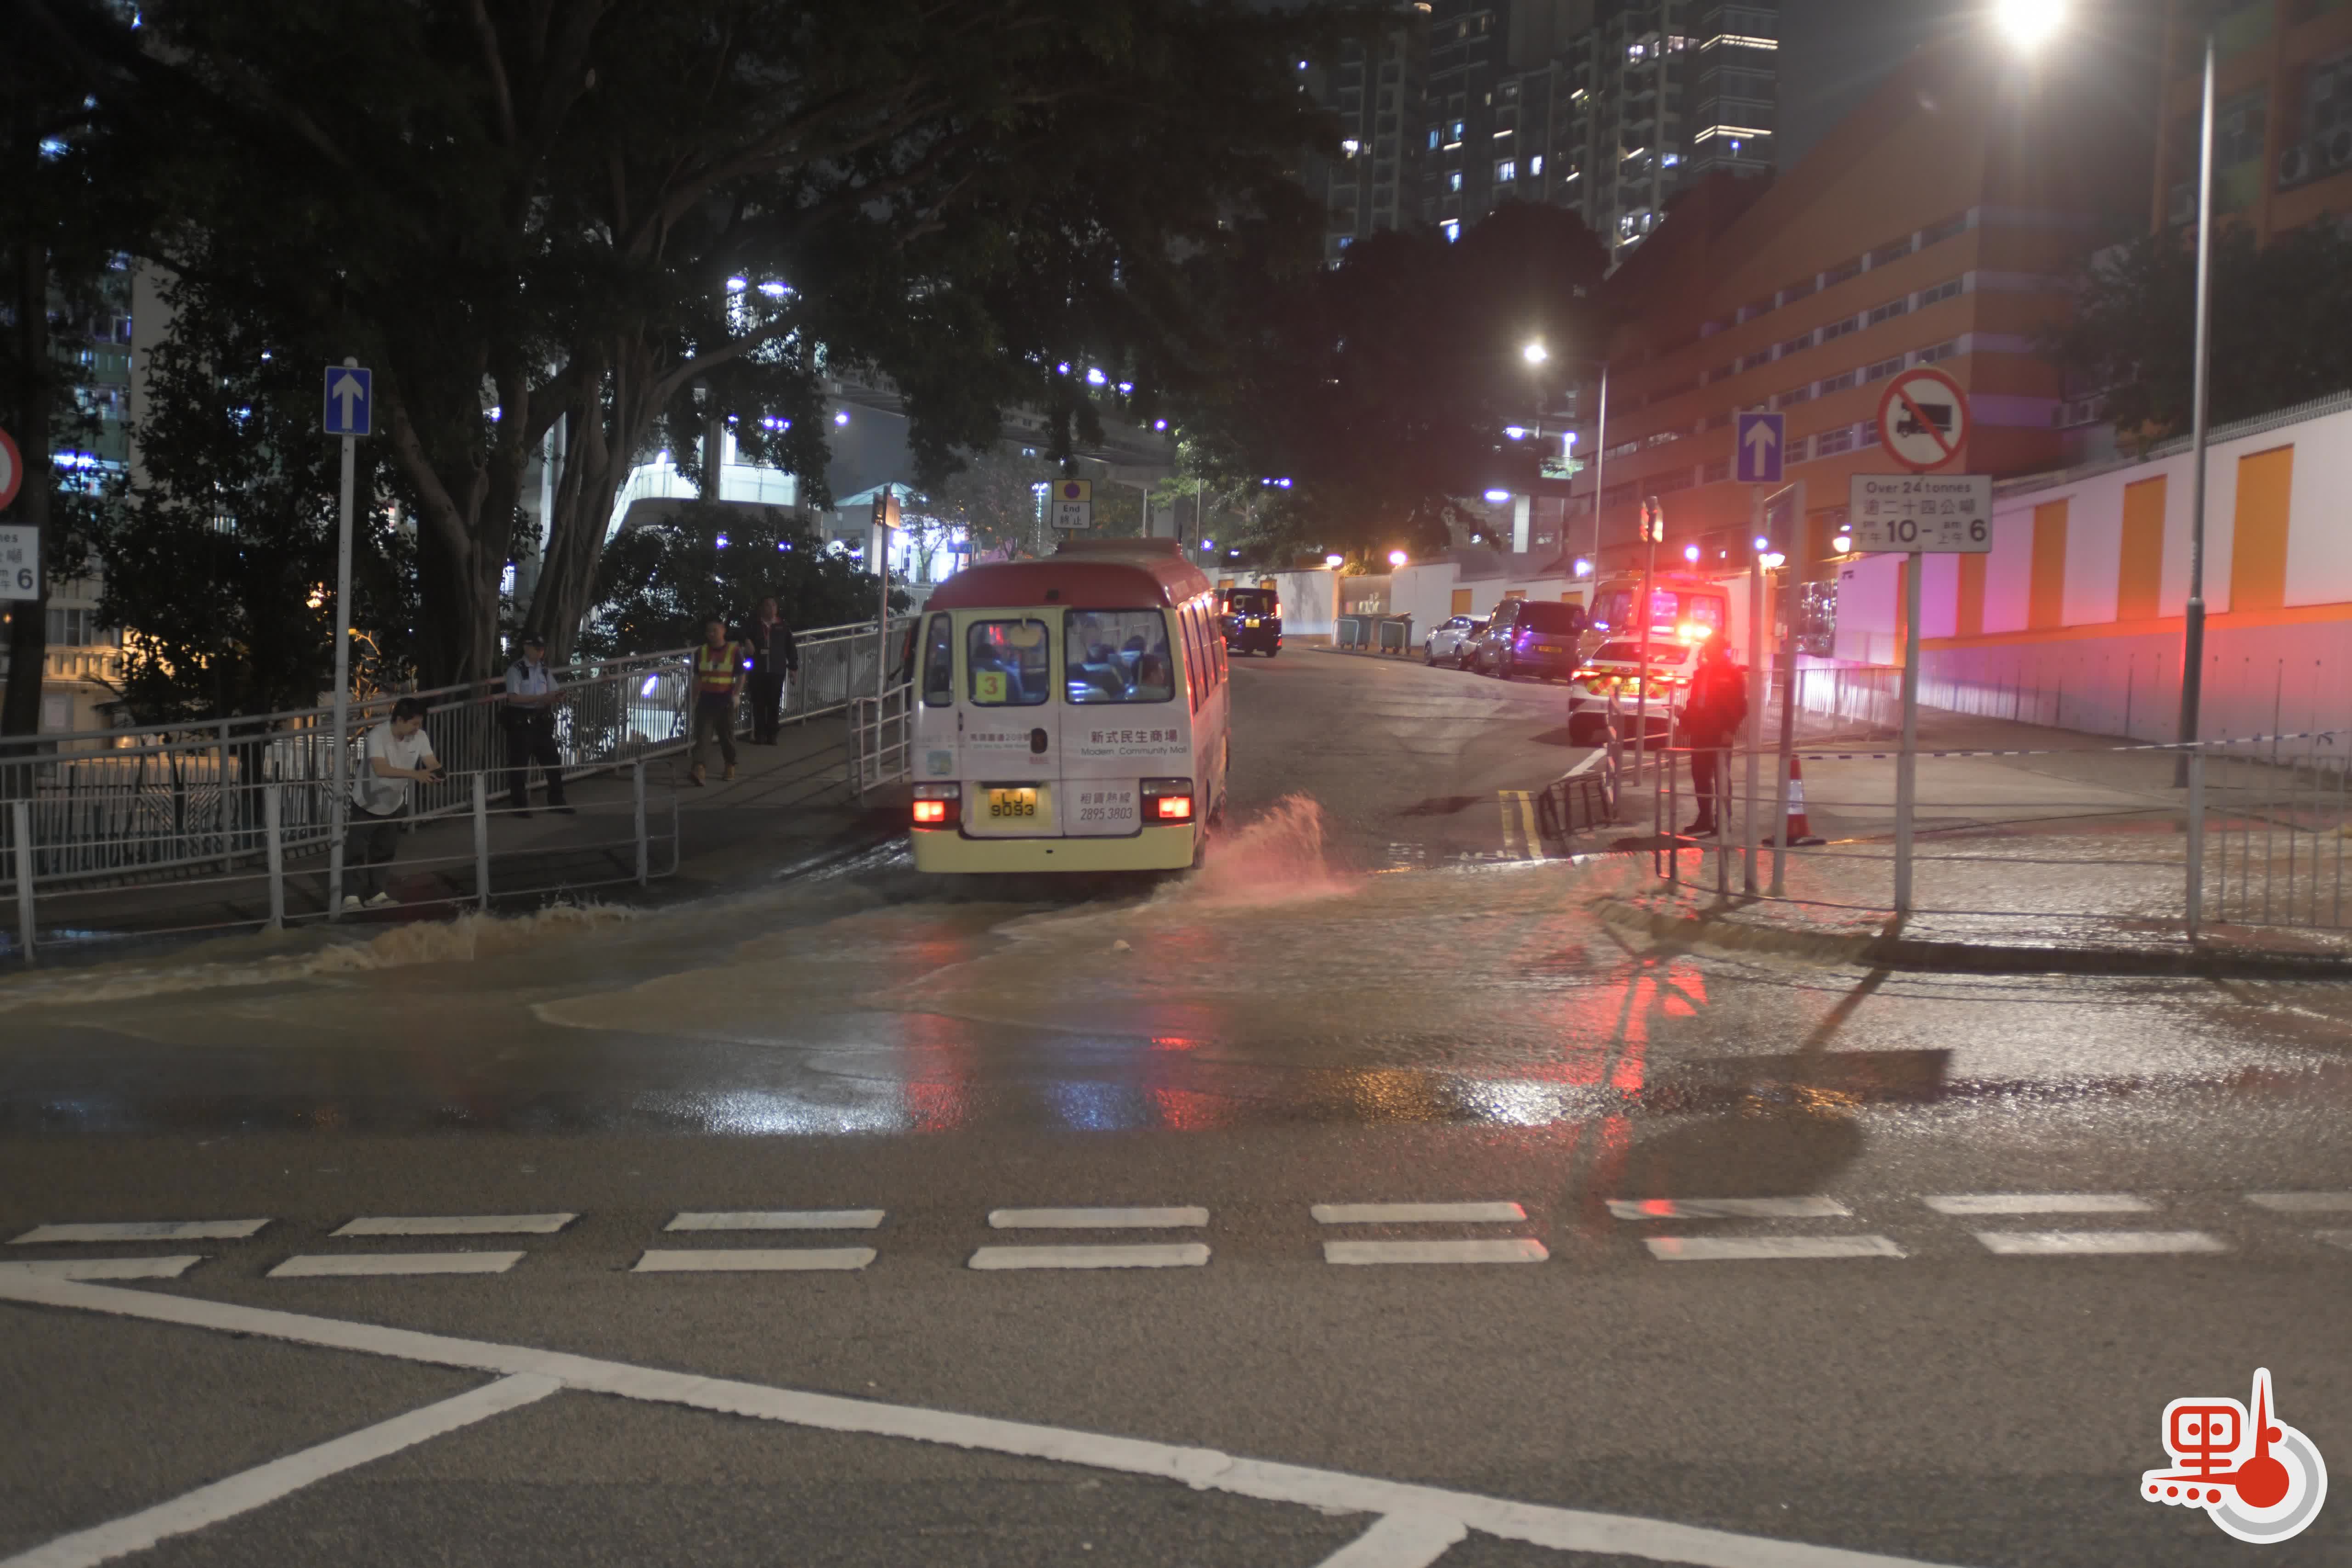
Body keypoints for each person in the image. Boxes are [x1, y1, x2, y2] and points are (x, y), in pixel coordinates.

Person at [345, 696, 442, 910]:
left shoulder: (420, 737)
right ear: (399, 719)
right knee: (356, 851)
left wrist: (439, 772)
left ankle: (376, 893)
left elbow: (431, 761)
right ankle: (350, 897)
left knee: (385, 850)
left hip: (394, 802)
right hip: (366, 802)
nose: (417, 729)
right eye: (414, 724)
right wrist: (415, 774)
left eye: (420, 724)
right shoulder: (378, 735)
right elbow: (381, 769)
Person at [1677, 636, 1749, 837]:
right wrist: (1685, 724)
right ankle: (1705, 819)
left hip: (1719, 733)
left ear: (1721, 650)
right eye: (1707, 648)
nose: (1709, 652)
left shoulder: (1733, 673)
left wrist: (1730, 730)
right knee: (1700, 776)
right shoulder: (1702, 673)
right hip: (1700, 731)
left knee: (1721, 777)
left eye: (1713, 648)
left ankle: (1724, 820)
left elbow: (1740, 706)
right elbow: (1695, 702)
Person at [501, 634, 572, 817]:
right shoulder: (516, 670)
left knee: (553, 761)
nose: (540, 652)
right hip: (522, 721)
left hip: (541, 721)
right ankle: (520, 806)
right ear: (526, 648)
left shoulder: (544, 670)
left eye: (542, 649)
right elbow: (513, 698)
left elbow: (553, 690)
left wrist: (557, 696)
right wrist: (541, 698)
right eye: (536, 648)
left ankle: (557, 800)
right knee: (519, 765)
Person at [688, 615, 744, 785]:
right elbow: (697, 677)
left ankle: (730, 764)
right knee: (703, 736)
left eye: (715, 630)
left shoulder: (733, 651)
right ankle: (699, 768)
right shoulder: (702, 652)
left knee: (727, 736)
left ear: (723, 630)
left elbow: (741, 675)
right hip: (706, 700)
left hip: (725, 701)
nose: (711, 634)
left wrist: (736, 695)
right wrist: (693, 697)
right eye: (709, 631)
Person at [743, 597, 799, 745]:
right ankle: (760, 735)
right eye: (768, 605)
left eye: (774, 605)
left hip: (777, 670)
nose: (772, 608)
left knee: (774, 703)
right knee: (759, 703)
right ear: (762, 608)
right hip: (758, 670)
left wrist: (793, 668)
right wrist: (746, 640)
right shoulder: (754, 625)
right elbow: (737, 634)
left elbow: (791, 648)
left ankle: (772, 735)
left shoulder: (783, 626)